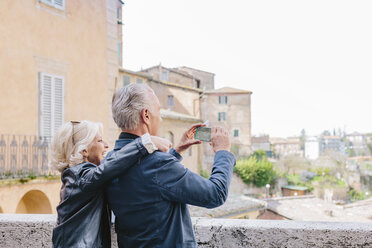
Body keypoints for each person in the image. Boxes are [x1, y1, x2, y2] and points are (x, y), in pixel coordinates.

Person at [106, 84, 235, 248]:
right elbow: (215, 194)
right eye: (158, 113)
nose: (160, 119)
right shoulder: (157, 164)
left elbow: (146, 182)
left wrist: (177, 151)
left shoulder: (110, 160)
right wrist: (222, 151)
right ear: (146, 115)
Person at [51, 120, 171, 248]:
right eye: (100, 141)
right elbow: (111, 166)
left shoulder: (79, 178)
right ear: (84, 150)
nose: (107, 146)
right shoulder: (79, 176)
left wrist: (176, 153)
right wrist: (145, 142)